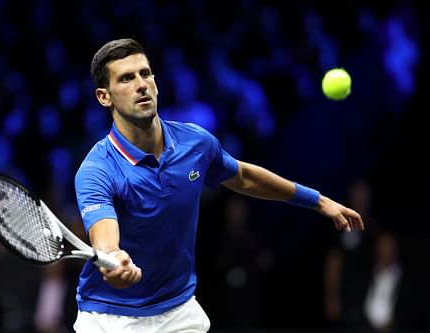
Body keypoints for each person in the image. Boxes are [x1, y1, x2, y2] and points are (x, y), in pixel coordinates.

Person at [73, 38, 364, 333]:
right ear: (104, 97)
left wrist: (317, 200)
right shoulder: (97, 170)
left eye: (145, 73)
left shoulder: (196, 144)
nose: (141, 84)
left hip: (178, 311)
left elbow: (244, 177)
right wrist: (114, 259)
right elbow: (105, 239)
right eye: (126, 78)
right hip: (109, 318)